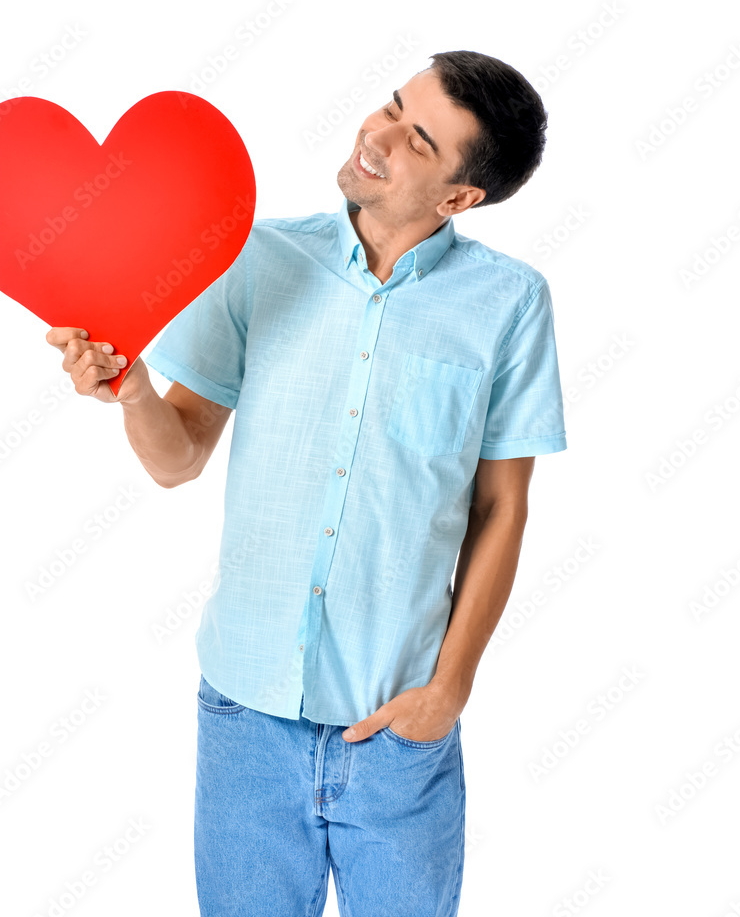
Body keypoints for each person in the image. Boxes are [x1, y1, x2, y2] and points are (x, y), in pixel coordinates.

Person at [46, 49, 567, 917]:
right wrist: (134, 392)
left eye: (420, 139)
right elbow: (178, 458)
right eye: (393, 104)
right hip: (246, 721)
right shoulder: (258, 257)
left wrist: (449, 692)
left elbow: (501, 507)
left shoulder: (508, 305)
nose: (380, 133)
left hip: (397, 732)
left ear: (460, 198)